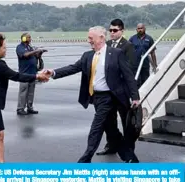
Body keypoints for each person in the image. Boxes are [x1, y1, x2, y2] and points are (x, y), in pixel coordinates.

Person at [44, 26, 140, 163]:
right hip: (97, 98)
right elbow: (73, 68)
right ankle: (130, 158)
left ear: (101, 38)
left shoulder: (116, 53)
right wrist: (53, 72)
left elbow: (128, 76)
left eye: (91, 38)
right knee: (111, 130)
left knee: (96, 127)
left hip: (110, 97)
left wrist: (135, 97)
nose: (88, 40)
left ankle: (85, 159)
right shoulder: (88, 56)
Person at [0, 33, 49, 163]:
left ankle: (2, 166)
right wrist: (37, 76)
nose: (5, 49)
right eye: (3, 47)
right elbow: (16, 76)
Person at [96, 19, 138, 156]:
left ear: (122, 31)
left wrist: (133, 94)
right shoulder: (106, 45)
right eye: (111, 30)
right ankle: (111, 145)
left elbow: (130, 69)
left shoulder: (128, 46)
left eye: (115, 30)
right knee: (109, 121)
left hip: (121, 91)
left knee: (126, 121)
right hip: (108, 92)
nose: (112, 33)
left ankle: (129, 149)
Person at [16, 33, 47, 115]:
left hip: (33, 73)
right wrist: (35, 51)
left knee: (31, 92)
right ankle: (20, 108)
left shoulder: (30, 47)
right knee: (23, 92)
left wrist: (40, 53)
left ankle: (30, 107)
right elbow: (25, 55)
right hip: (24, 73)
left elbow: (35, 56)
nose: (30, 38)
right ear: (23, 38)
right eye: (28, 37)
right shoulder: (20, 47)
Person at [129, 23, 157, 87]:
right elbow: (128, 52)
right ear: (136, 29)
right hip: (135, 65)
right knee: (136, 82)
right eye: (138, 28)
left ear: (144, 29)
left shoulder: (149, 39)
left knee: (146, 82)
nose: (140, 30)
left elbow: (152, 53)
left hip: (145, 65)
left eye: (141, 28)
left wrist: (155, 65)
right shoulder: (132, 39)